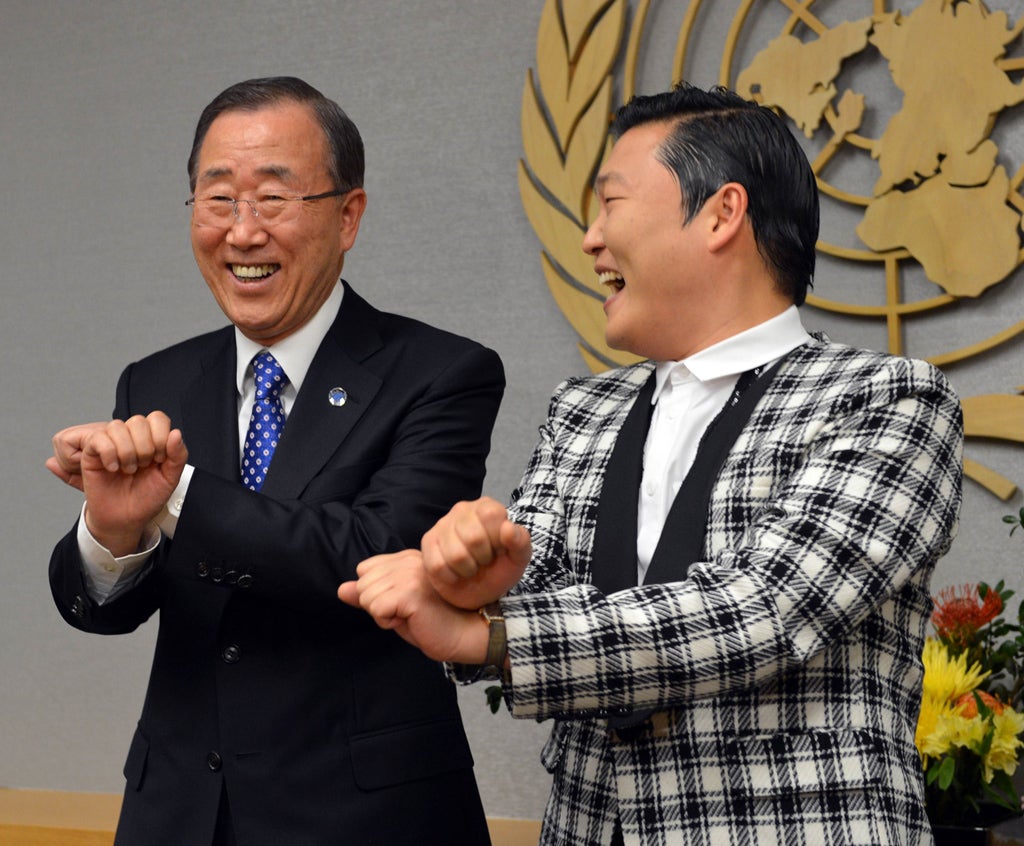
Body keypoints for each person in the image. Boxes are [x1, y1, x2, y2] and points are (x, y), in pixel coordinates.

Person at [339, 84, 964, 845]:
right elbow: (535, 593)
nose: (590, 239)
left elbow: (763, 611)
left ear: (721, 213)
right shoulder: (584, 411)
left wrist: (493, 634)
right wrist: (473, 581)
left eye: (612, 202)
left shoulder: (886, 399)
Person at [46, 76, 503, 846]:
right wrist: (114, 533)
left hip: (367, 817)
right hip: (179, 813)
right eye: (217, 199)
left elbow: (375, 556)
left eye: (274, 199)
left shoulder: (440, 371)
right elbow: (101, 609)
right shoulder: (156, 380)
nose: (243, 232)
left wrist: (180, 496)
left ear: (348, 215)